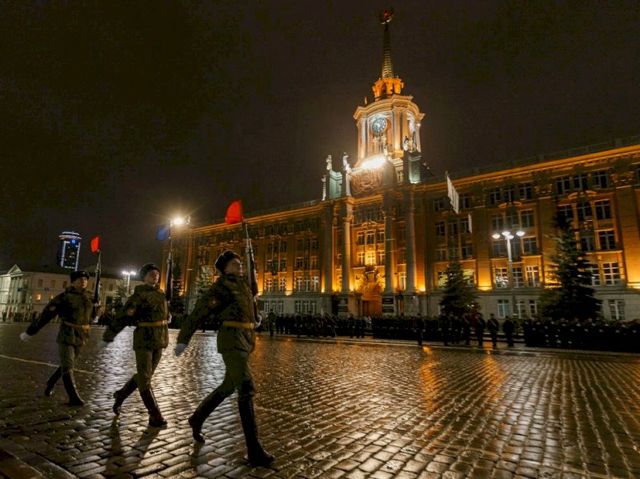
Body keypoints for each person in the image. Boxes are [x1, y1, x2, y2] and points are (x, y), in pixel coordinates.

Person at [175, 250, 273, 467]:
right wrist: (183, 339)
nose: (240, 266)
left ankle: (197, 418)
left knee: (229, 386)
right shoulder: (220, 287)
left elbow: (250, 305)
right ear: (224, 268)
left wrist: (256, 317)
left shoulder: (244, 285)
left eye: (240, 264)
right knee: (246, 386)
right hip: (231, 340)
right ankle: (254, 449)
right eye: (235, 264)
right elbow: (200, 311)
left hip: (246, 339)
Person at [100, 263, 169, 428]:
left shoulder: (161, 294)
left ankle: (121, 395)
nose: (155, 275)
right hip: (144, 339)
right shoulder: (138, 296)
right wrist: (109, 335)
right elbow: (123, 317)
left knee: (144, 376)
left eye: (156, 273)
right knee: (144, 379)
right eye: (151, 273)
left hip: (159, 340)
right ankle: (155, 414)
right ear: (143, 277)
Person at [19, 270, 93, 406]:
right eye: (80, 279)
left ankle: (51, 382)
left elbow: (89, 316)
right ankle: (73, 397)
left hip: (81, 335)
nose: (83, 281)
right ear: (73, 282)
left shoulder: (89, 297)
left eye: (85, 279)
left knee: (67, 364)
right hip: (67, 334)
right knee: (68, 365)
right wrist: (30, 331)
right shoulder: (64, 297)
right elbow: (46, 315)